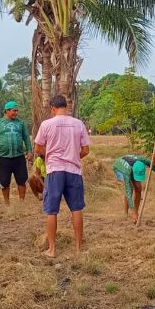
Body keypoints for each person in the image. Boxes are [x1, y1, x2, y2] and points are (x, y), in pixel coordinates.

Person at [34, 94, 90, 258]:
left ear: (52, 108)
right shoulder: (78, 124)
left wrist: (49, 155)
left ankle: (52, 249)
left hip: (54, 171)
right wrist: (73, 156)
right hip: (73, 171)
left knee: (52, 210)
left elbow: (38, 148)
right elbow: (86, 150)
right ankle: (79, 249)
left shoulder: (47, 124)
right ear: (66, 106)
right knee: (77, 209)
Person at [0, 101, 33, 205]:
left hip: (19, 157)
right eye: (14, 111)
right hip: (4, 157)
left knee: (22, 180)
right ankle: (7, 203)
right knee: (4, 182)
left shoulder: (20, 123)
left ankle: (21, 202)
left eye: (17, 111)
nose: (16, 113)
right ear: (7, 111)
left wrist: (29, 151)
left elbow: (26, 138)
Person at [113, 154, 155, 223]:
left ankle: (136, 213)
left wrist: (154, 162)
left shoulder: (143, 161)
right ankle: (126, 214)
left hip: (131, 167)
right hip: (119, 168)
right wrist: (132, 212)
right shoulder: (126, 172)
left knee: (138, 188)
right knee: (130, 188)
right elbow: (128, 192)